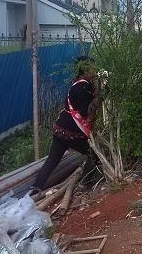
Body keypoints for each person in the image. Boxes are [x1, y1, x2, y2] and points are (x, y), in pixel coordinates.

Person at [32, 56, 99, 193]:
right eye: (92, 67)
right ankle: (85, 184)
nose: (95, 70)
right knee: (95, 153)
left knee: (52, 160)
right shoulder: (83, 86)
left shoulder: (76, 84)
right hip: (72, 133)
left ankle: (35, 189)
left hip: (60, 129)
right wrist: (99, 97)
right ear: (85, 69)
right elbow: (85, 112)